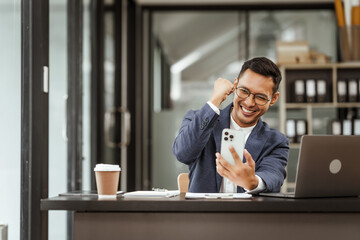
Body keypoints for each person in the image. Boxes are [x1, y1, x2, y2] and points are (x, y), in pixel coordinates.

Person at [172, 57, 289, 194]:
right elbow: (182, 154)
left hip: (247, 215)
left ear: (273, 99)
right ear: (235, 84)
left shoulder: (276, 141)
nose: (249, 103)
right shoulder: (198, 119)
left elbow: (273, 176)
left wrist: (252, 182)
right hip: (203, 213)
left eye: (260, 97)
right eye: (244, 91)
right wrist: (215, 99)